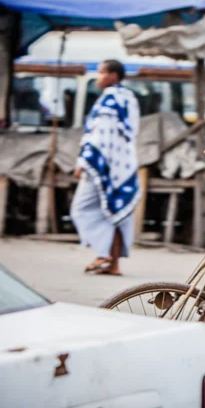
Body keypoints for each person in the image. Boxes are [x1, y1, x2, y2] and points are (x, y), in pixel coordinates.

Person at [72, 59, 141, 276]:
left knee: (81, 208)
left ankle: (103, 254)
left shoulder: (111, 99)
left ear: (112, 75)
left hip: (103, 166)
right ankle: (114, 264)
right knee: (117, 213)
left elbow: (101, 136)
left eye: (101, 72)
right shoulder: (128, 97)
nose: (98, 77)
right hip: (124, 165)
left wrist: (84, 161)